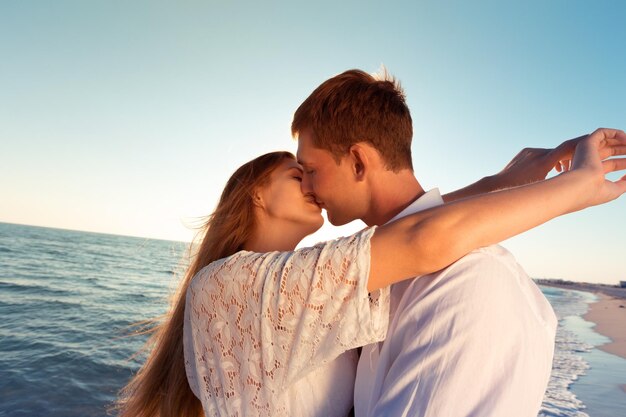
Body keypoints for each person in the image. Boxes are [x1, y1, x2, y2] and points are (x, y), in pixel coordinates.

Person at [115, 127, 624, 416]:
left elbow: (403, 228)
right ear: (255, 194)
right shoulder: (228, 284)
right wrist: (576, 188)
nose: (314, 184)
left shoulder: (300, 281)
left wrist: (503, 179)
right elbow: (418, 239)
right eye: (299, 174)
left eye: (312, 171)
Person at [290, 68, 626, 417]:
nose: (305, 187)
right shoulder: (381, 269)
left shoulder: (468, 285)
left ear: (358, 162)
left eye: (311, 170)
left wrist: (569, 187)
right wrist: (497, 182)